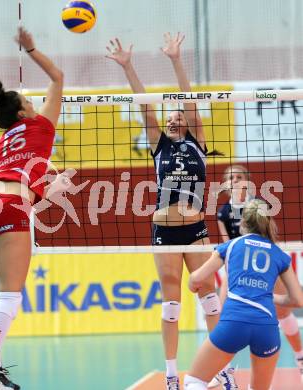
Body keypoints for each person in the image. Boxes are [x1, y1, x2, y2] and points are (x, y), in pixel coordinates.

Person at [106, 33, 236, 390]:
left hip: (195, 230)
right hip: (164, 230)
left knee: (209, 296)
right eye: (172, 116)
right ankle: (170, 374)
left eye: (181, 115)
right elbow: (145, 105)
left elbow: (192, 101)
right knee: (171, 303)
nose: (176, 118)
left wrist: (176, 60)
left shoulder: (198, 142)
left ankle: (223, 370)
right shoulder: (159, 144)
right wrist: (128, 65)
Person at [0, 27, 63, 389]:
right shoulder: (40, 127)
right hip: (10, 206)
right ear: (25, 110)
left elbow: (21, 179)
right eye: (28, 99)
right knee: (9, 296)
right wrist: (32, 49)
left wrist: (44, 189)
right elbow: (58, 77)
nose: (33, 101)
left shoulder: (0, 145)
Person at [184, 199, 303, 390]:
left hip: (234, 323)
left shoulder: (230, 246)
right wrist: (271, 297)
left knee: (194, 381)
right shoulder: (279, 254)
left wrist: (192, 285)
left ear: (243, 223)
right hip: (266, 328)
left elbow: (196, 278)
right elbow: (298, 300)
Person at [214, 165, 303, 385]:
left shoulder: (257, 205)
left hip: (263, 261)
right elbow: (226, 246)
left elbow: (269, 232)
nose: (234, 181)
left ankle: (300, 357)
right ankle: (224, 371)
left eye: (239, 177)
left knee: (283, 312)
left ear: (247, 181)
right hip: (237, 264)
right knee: (222, 313)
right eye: (230, 178)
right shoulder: (223, 212)